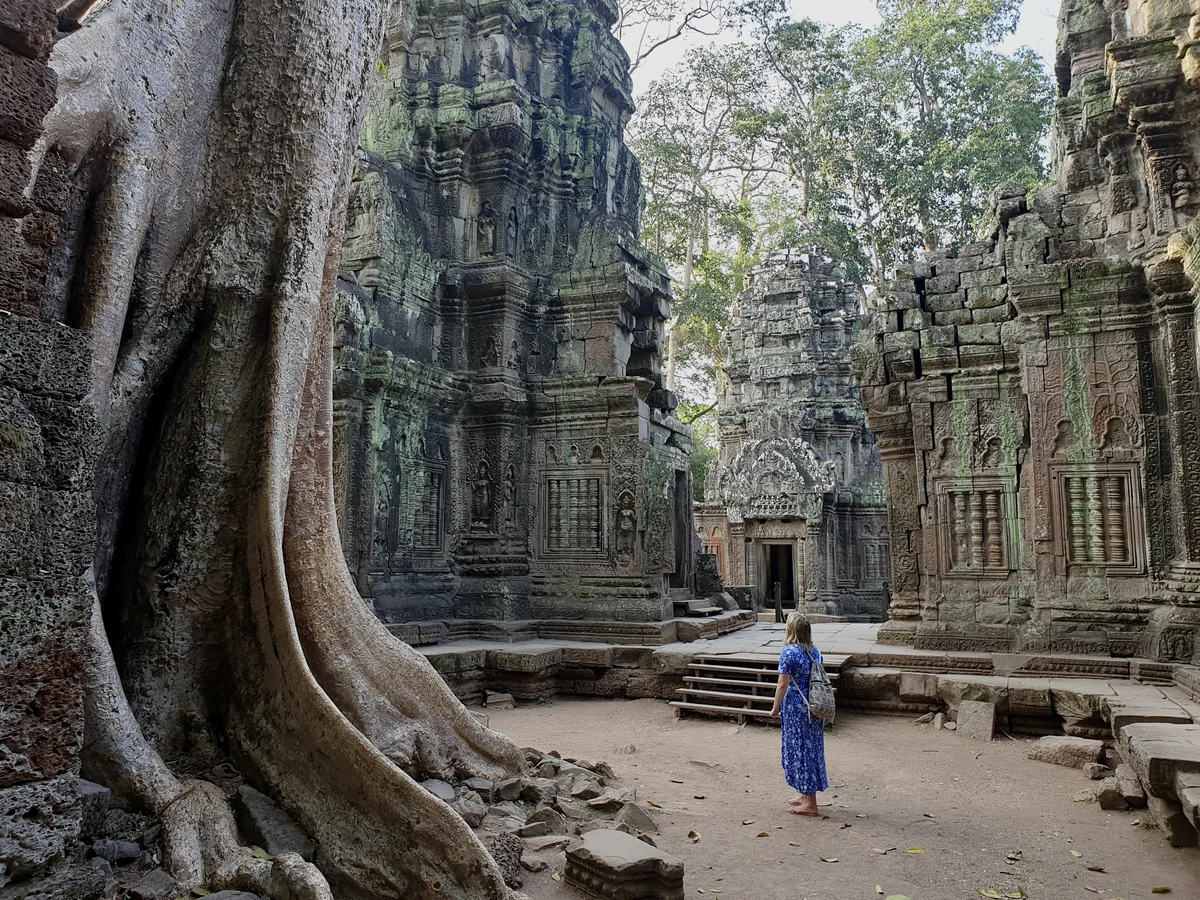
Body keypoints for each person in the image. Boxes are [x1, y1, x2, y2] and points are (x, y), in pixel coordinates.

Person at [769, 612, 829, 815]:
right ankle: (804, 794)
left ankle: (811, 803)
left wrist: (775, 707)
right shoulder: (815, 651)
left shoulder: (789, 652)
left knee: (801, 751)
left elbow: (782, 684)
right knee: (811, 749)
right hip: (814, 705)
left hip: (796, 707)